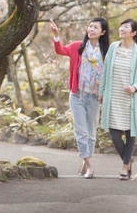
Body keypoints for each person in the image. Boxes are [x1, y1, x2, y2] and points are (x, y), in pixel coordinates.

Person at [50, 17, 109, 179]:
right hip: (77, 95)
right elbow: (60, 50)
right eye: (90, 26)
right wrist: (56, 36)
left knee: (91, 133)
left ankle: (85, 161)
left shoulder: (106, 51)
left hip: (95, 97)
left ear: (102, 32)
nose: (91, 29)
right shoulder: (77, 46)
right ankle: (89, 165)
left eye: (95, 27)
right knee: (81, 131)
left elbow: (110, 74)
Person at [99, 18, 137, 180]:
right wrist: (101, 92)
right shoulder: (114, 47)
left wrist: (135, 87)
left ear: (134, 33)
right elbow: (105, 71)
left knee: (130, 134)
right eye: (121, 26)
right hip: (113, 98)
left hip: (130, 100)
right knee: (114, 135)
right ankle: (128, 159)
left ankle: (124, 166)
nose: (121, 29)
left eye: (126, 27)